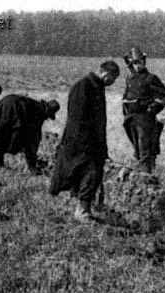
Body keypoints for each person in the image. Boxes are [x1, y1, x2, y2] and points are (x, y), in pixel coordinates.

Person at [49, 60, 120, 222]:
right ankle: (82, 212)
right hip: (81, 142)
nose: (113, 82)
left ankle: (83, 208)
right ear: (105, 73)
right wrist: (87, 144)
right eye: (113, 78)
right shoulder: (83, 87)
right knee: (91, 173)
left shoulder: (96, 87)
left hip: (90, 142)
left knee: (90, 174)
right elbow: (77, 119)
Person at [122, 47, 165, 174]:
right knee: (136, 147)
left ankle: (147, 176)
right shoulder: (130, 79)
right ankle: (140, 173)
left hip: (144, 118)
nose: (137, 66)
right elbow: (126, 95)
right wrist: (125, 109)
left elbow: (164, 95)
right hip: (131, 117)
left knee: (145, 148)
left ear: (144, 61)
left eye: (140, 62)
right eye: (134, 63)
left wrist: (151, 109)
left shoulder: (150, 78)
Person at [0, 95, 60, 173]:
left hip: (6, 101)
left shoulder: (36, 105)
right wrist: (32, 166)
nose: (47, 118)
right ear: (48, 111)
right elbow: (32, 141)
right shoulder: (39, 113)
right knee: (7, 136)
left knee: (1, 133)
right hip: (14, 106)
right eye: (49, 115)